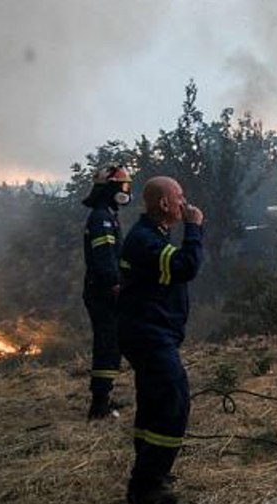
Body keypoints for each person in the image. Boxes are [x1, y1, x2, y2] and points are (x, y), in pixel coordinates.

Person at [117, 176, 204, 504]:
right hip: (148, 335)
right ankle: (147, 485)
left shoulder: (153, 235)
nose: (185, 202)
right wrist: (194, 228)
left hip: (148, 332)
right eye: (179, 196)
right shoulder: (145, 240)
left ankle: (148, 470)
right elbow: (185, 266)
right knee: (172, 399)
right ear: (164, 203)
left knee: (152, 402)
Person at [81, 164, 132, 420]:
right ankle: (99, 405)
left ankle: (104, 396)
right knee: (107, 344)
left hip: (104, 290)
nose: (127, 190)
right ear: (111, 189)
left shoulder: (107, 214)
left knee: (112, 343)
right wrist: (115, 284)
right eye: (124, 186)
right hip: (103, 292)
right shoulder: (101, 218)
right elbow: (104, 258)